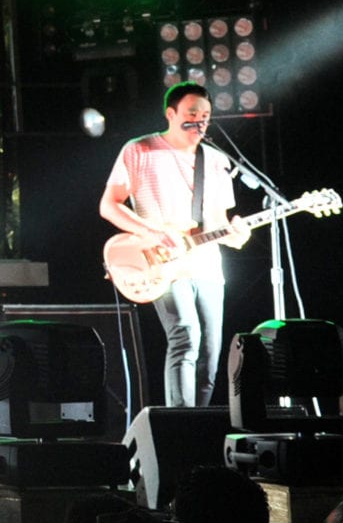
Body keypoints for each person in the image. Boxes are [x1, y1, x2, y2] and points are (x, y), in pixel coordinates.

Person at [99, 82, 251, 407]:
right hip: (161, 262)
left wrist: (238, 235)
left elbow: (218, 221)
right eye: (192, 113)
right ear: (171, 114)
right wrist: (153, 232)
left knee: (210, 353)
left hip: (207, 266)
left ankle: (198, 424)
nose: (199, 121)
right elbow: (109, 205)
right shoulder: (139, 150)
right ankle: (179, 423)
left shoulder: (216, 159)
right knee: (186, 334)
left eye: (205, 115)